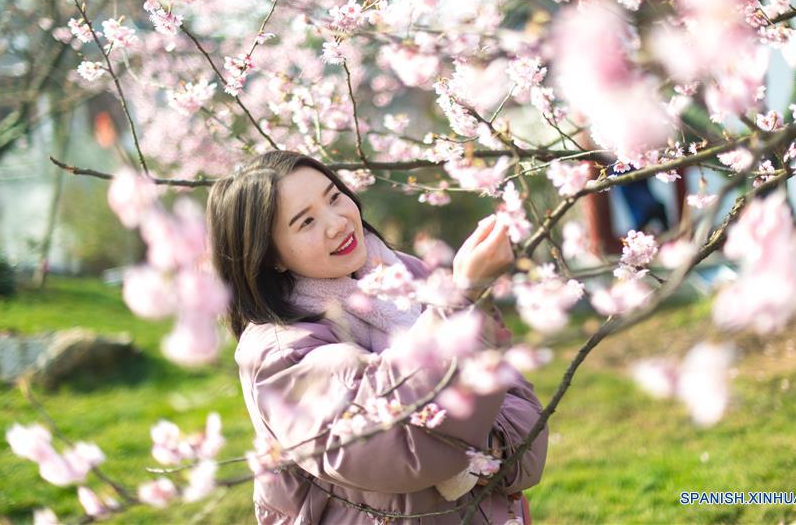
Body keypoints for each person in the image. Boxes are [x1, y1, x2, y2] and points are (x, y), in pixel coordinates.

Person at [207, 151, 548, 525]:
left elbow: (520, 405)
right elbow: (398, 452)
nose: (337, 223)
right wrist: (461, 302)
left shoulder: (407, 274)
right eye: (306, 221)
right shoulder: (280, 352)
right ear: (270, 256)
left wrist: (491, 449)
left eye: (334, 197)